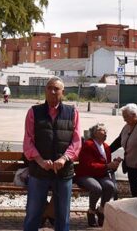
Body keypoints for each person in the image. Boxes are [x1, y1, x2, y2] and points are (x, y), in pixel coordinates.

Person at [22, 76, 81, 231]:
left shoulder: (72, 112)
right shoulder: (34, 112)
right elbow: (28, 141)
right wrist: (40, 161)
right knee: (33, 214)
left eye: (56, 89)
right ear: (45, 91)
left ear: (63, 92)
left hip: (63, 172)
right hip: (39, 172)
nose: (52, 91)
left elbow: (76, 141)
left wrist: (64, 158)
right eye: (49, 88)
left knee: (62, 216)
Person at [74, 123, 120, 227]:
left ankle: (101, 210)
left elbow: (107, 165)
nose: (105, 132)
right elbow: (88, 165)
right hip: (86, 174)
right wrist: (107, 166)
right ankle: (91, 211)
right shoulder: (88, 144)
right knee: (96, 188)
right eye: (102, 130)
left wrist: (115, 164)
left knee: (110, 186)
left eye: (105, 130)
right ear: (95, 133)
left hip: (100, 174)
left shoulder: (106, 146)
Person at [109, 103, 137, 197]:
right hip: (131, 165)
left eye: (126, 116)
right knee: (134, 190)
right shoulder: (127, 126)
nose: (124, 119)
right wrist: (107, 150)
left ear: (133, 115)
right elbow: (118, 141)